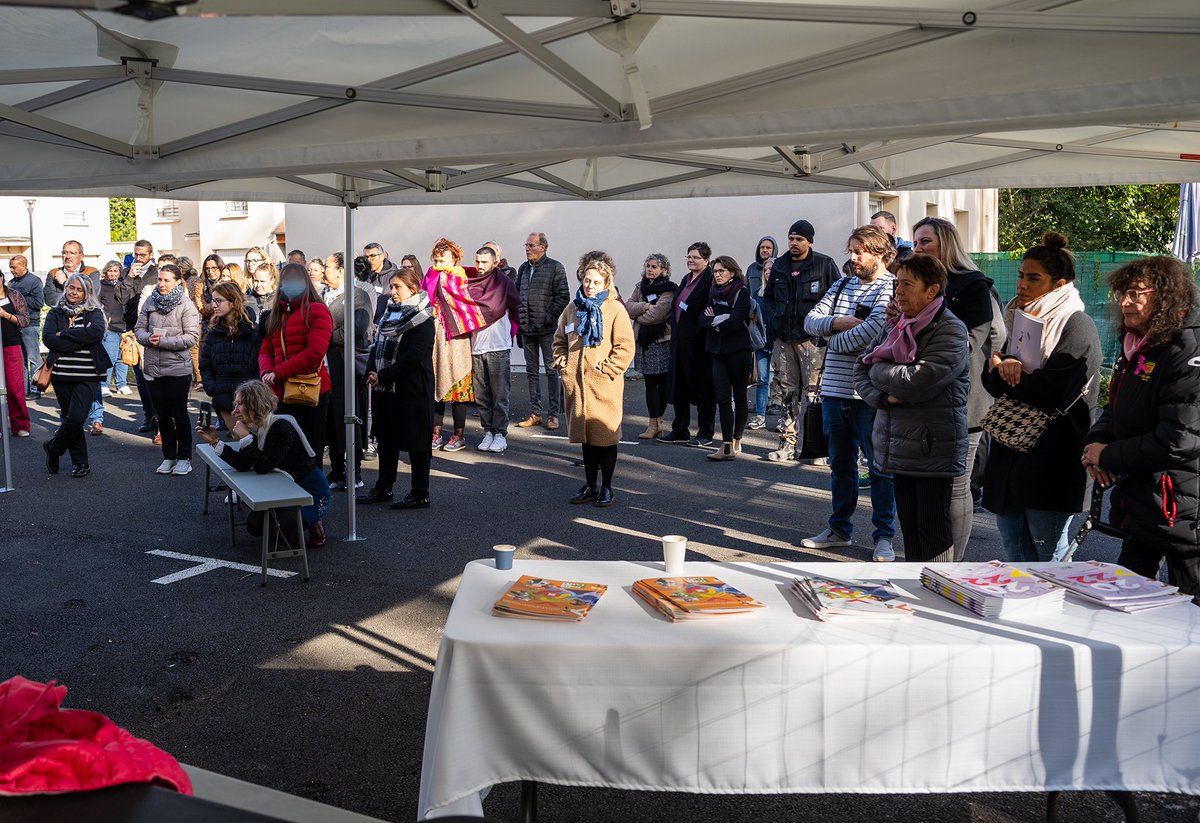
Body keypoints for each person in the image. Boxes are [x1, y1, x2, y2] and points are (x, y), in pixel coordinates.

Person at [1083, 256, 1200, 601]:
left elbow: (1181, 438)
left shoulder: (1187, 349)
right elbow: (1117, 407)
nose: (1124, 302)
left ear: (1165, 297)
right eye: (1121, 293)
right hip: (1145, 501)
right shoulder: (1139, 341)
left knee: (1190, 619)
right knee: (1129, 609)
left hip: (1183, 512)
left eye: (1135, 293)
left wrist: (1111, 455)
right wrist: (1097, 443)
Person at [982, 232, 1101, 562]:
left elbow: (1055, 392)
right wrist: (1006, 370)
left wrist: (1009, 371)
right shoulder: (1018, 318)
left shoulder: (1077, 325)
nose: (1022, 285)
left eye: (1034, 278)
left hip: (1052, 460)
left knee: (1049, 556)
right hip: (1011, 457)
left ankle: (1058, 613)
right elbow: (989, 379)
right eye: (1021, 275)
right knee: (1015, 551)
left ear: (1059, 283)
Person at [854, 254, 969, 562]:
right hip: (898, 444)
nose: (898, 292)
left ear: (931, 291)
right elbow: (860, 370)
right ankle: (916, 596)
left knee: (933, 533)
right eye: (896, 283)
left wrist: (879, 369)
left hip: (932, 446)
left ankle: (939, 596)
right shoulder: (897, 323)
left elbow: (918, 380)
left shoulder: (950, 329)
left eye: (907, 284)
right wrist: (883, 397)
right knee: (911, 531)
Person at [802, 225, 897, 560]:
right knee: (840, 466)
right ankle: (839, 529)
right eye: (852, 250)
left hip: (870, 395)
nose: (854, 257)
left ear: (881, 252)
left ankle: (884, 536)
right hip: (834, 391)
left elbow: (871, 335)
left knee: (881, 469)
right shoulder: (842, 284)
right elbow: (809, 321)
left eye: (861, 251)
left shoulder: (891, 289)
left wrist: (830, 337)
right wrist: (837, 325)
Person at [912, 216, 1006, 558]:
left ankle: (952, 564)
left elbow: (974, 340)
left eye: (926, 241)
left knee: (955, 486)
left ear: (947, 244)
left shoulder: (972, 284)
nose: (918, 248)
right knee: (926, 487)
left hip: (965, 402)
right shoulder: (917, 284)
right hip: (925, 399)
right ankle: (930, 559)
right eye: (916, 242)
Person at [196, 380, 331, 548]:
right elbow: (244, 464)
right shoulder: (256, 426)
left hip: (308, 491)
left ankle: (313, 522)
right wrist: (215, 441)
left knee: (276, 531)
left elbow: (262, 466)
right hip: (280, 487)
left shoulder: (281, 426)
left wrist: (245, 438)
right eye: (235, 404)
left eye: (240, 404)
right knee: (255, 527)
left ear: (255, 404)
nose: (235, 410)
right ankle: (293, 524)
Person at [553, 258, 634, 507]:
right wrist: (563, 365)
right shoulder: (572, 308)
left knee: (606, 439)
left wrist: (606, 371)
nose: (590, 285)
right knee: (587, 440)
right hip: (578, 387)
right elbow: (559, 341)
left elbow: (625, 347)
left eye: (596, 282)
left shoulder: (615, 309)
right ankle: (590, 485)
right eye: (587, 280)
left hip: (604, 386)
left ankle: (607, 487)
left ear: (606, 283)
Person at [763, 219, 840, 461]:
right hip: (784, 340)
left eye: (800, 239)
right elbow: (769, 297)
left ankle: (819, 447)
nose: (794, 243)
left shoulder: (824, 264)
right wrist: (776, 319)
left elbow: (837, 297)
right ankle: (787, 443)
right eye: (791, 239)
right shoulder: (780, 266)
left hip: (814, 341)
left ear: (810, 242)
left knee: (815, 395)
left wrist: (827, 328)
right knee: (788, 392)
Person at [359, 266, 436, 510]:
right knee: (386, 439)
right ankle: (384, 487)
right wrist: (373, 372)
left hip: (412, 387)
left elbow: (413, 356)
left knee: (416, 442)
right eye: (392, 286)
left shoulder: (423, 318)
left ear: (412, 289)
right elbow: (376, 345)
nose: (393, 291)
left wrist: (383, 375)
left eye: (398, 287)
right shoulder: (389, 313)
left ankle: (419, 493)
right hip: (386, 387)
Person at [259, 262, 334, 469]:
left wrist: (278, 372)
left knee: (310, 455)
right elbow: (265, 349)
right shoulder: (276, 314)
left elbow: (315, 352)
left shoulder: (317, 310)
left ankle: (314, 500)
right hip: (280, 394)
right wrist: (267, 372)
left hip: (310, 393)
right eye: (286, 280)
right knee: (284, 455)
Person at [41, 274, 110, 478]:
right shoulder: (56, 312)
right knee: (71, 419)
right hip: (62, 374)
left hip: (88, 374)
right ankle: (81, 463)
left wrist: (65, 334)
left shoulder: (94, 312)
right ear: (66, 289)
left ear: (87, 293)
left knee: (78, 416)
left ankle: (53, 448)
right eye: (71, 288)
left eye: (79, 290)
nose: (74, 292)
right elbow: (49, 340)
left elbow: (96, 333)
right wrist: (81, 340)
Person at [135, 264, 201, 476]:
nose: (161, 284)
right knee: (161, 415)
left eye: (166, 280)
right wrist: (148, 339)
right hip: (153, 367)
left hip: (177, 369)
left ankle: (184, 458)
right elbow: (139, 330)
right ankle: (168, 456)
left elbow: (192, 337)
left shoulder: (186, 304)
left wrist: (165, 341)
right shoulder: (150, 301)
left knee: (179, 414)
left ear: (177, 282)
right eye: (159, 280)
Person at [658, 242, 717, 446]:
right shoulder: (686, 278)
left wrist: (698, 331)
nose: (691, 260)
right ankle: (680, 429)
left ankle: (705, 432)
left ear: (706, 260)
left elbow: (708, 311)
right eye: (689, 257)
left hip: (699, 345)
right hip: (680, 343)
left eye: (696, 257)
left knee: (703, 388)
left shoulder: (710, 280)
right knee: (679, 386)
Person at [422, 238, 477, 452]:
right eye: (435, 258)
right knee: (436, 383)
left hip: (457, 339)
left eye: (442, 258)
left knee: (457, 385)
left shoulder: (462, 278)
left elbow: (468, 307)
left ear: (453, 258)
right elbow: (425, 297)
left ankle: (458, 435)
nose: (437, 262)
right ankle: (436, 434)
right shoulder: (431, 275)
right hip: (436, 336)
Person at [323, 252, 372, 489]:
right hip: (328, 368)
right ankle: (336, 470)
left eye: (328, 266)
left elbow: (356, 329)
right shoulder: (325, 295)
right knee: (331, 420)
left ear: (341, 270)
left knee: (351, 420)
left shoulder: (358, 296)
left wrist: (322, 337)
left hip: (348, 368)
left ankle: (355, 472)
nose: (324, 270)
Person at [699, 256, 753, 461]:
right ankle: (727, 445)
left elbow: (736, 321)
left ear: (732, 272)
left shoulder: (741, 291)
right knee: (722, 398)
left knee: (739, 396)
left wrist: (715, 320)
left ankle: (737, 439)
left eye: (722, 270)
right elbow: (702, 319)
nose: (718, 274)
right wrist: (717, 320)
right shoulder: (712, 293)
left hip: (738, 351)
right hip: (717, 351)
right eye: (715, 271)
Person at [468, 246, 521, 454]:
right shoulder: (470, 284)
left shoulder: (504, 283)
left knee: (500, 394)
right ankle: (488, 430)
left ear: (494, 262)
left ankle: (500, 433)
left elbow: (514, 307)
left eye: (485, 262)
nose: (480, 266)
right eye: (477, 261)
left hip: (498, 346)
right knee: (481, 395)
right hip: (476, 346)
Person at [515, 232, 569, 431]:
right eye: (526, 245)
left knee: (551, 370)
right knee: (531, 372)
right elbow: (517, 295)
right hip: (527, 329)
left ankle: (553, 415)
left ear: (543, 247)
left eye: (531, 245)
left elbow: (563, 296)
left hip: (546, 330)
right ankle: (535, 413)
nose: (527, 249)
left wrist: (547, 317)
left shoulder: (555, 267)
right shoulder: (523, 268)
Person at [83, 260, 136, 437]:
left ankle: (121, 384)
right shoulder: (101, 286)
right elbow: (97, 305)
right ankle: (105, 384)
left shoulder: (124, 284)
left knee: (124, 358)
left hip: (125, 326)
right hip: (111, 327)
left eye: (116, 271)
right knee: (110, 357)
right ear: (105, 272)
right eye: (110, 271)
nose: (113, 274)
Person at [626, 253, 676, 440]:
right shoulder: (640, 286)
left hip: (661, 342)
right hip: (644, 342)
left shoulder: (669, 289)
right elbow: (628, 307)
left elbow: (658, 315)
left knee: (661, 384)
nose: (650, 269)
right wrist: (646, 305)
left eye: (654, 267)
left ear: (663, 269)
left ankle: (659, 421)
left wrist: (640, 312)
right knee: (649, 384)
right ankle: (652, 423)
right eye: (648, 266)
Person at [199, 281, 260, 433]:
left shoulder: (252, 331)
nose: (214, 305)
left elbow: (261, 363)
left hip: (250, 398)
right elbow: (205, 365)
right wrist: (212, 388)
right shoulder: (213, 333)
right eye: (213, 300)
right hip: (223, 397)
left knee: (252, 442)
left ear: (233, 302)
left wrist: (255, 389)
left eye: (218, 301)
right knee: (237, 439)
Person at [124, 240, 159, 437]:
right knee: (139, 377)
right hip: (132, 328)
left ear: (150, 254)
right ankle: (148, 417)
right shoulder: (128, 272)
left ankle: (159, 417)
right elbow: (120, 297)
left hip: (152, 329)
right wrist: (129, 277)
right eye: (136, 254)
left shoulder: (157, 273)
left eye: (143, 255)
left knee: (153, 377)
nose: (138, 259)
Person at [744, 236, 777, 430]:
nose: (767, 272)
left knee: (785, 381)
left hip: (780, 341)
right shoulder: (758, 295)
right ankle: (760, 416)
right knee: (763, 379)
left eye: (771, 269)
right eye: (765, 270)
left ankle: (788, 419)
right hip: (763, 343)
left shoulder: (783, 293)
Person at [5, 256, 43, 399]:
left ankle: (35, 389)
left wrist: (18, 298)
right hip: (15, 324)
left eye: (14, 267)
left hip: (30, 324)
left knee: (33, 358)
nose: (11, 270)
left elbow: (39, 302)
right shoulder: (11, 283)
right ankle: (23, 390)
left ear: (23, 265)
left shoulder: (34, 281)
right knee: (20, 359)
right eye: (10, 267)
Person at [0, 271, 31, 437]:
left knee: (14, 386)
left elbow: (25, 320)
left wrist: (6, 315)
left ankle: (20, 425)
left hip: (11, 344)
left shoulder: (14, 295)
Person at [42, 240, 99, 305]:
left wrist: (65, 283)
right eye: (64, 253)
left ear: (81, 256)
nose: (68, 257)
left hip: (84, 314)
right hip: (59, 314)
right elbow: (49, 299)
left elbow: (92, 297)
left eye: (72, 253)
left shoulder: (91, 272)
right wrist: (77, 298)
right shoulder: (54, 273)